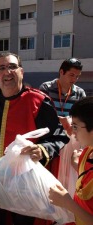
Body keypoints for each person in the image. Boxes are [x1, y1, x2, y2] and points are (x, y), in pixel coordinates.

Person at [0, 52, 69, 225]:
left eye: (12, 66)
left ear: (22, 71)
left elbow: (59, 136)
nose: (7, 72)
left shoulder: (38, 100)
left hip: (25, 182)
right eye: (2, 68)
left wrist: (42, 149)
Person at [39, 58, 86, 197]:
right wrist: (60, 120)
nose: (75, 79)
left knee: (68, 174)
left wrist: (72, 123)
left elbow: (82, 116)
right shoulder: (46, 88)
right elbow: (42, 114)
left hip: (72, 138)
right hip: (51, 137)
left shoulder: (79, 93)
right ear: (61, 72)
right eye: (72, 75)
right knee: (51, 171)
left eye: (77, 76)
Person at [49, 97, 93, 225]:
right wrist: (78, 166)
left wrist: (68, 203)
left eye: (75, 127)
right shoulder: (86, 153)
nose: (73, 133)